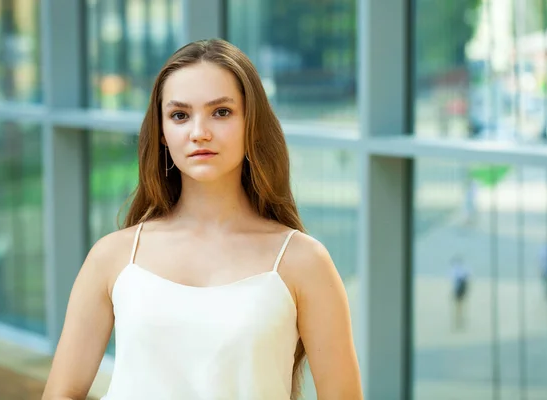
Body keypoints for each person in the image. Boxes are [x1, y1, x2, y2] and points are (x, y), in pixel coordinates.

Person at [42, 39, 362, 400]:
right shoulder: (113, 256)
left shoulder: (303, 262)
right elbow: (61, 393)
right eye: (180, 115)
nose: (199, 132)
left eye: (221, 112)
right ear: (162, 133)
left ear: (251, 124)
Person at [450, 254, 470, 330]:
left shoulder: (455, 270)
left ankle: (458, 321)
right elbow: (468, 277)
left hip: (458, 291)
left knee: (458, 306)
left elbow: (454, 281)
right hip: (462, 291)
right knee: (460, 306)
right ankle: (460, 320)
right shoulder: (463, 270)